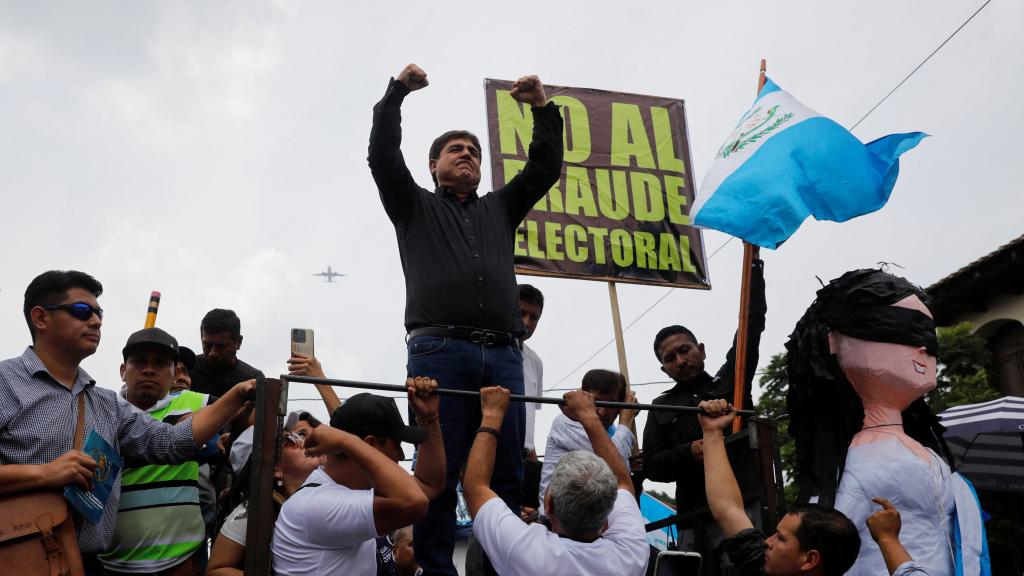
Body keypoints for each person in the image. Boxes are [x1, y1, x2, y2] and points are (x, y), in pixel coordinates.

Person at [367, 62, 564, 576]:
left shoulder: (500, 208)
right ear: (433, 166)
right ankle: (436, 570)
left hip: (503, 354)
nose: (468, 156)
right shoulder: (410, 204)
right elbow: (382, 156)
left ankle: (502, 568)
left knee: (504, 474)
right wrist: (397, 94)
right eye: (456, 150)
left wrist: (542, 108)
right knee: (438, 472)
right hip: (438, 351)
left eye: (474, 152)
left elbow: (543, 169)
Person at [0, 270, 257, 575]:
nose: (95, 322)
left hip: (88, 563)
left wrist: (239, 393)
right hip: (18, 557)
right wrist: (43, 474)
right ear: (41, 318)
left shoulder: (106, 403)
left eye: (99, 313)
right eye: (82, 311)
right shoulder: (5, 383)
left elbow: (171, 443)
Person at [785, 269, 989, 576]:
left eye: (928, 336)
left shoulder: (931, 454)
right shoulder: (846, 467)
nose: (922, 348)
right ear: (833, 340)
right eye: (899, 330)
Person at [642, 256, 766, 574]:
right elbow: (653, 465)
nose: (680, 360)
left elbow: (750, 331)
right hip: (689, 519)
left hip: (743, 507)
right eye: (670, 358)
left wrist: (754, 267)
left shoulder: (730, 384)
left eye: (685, 350)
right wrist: (690, 452)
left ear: (702, 349)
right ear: (663, 368)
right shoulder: (660, 407)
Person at [463, 387, 648, 576]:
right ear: (609, 511)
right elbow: (623, 482)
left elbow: (475, 487)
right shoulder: (631, 556)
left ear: (548, 503)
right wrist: (588, 416)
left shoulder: (524, 549)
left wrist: (492, 415)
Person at [272, 378, 446, 575]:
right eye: (396, 444)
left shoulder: (348, 492)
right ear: (370, 444)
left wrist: (429, 418)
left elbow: (428, 485)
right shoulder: (318, 504)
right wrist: (348, 442)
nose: (401, 455)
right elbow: (415, 502)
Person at [98, 328, 218, 575]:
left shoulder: (199, 404)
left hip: (182, 561)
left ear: (175, 374)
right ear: (123, 370)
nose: (149, 369)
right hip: (110, 562)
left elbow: (251, 413)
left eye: (161, 363)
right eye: (139, 361)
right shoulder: (100, 411)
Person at [697, 398, 861, 576]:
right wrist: (712, 431)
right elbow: (727, 508)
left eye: (781, 538)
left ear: (810, 560)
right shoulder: (763, 566)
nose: (767, 541)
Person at [207, 425, 322, 576]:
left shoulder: (322, 498)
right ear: (275, 469)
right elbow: (215, 570)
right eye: (289, 440)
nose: (301, 442)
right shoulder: (252, 511)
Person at [538, 369, 636, 517]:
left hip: (593, 526)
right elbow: (616, 467)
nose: (602, 411)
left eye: (610, 404)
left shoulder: (613, 432)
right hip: (557, 522)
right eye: (595, 402)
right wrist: (626, 421)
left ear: (619, 409)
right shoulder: (567, 421)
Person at [189, 308, 264, 398]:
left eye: (221, 346)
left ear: (238, 342)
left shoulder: (254, 380)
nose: (212, 353)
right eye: (207, 345)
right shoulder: (186, 370)